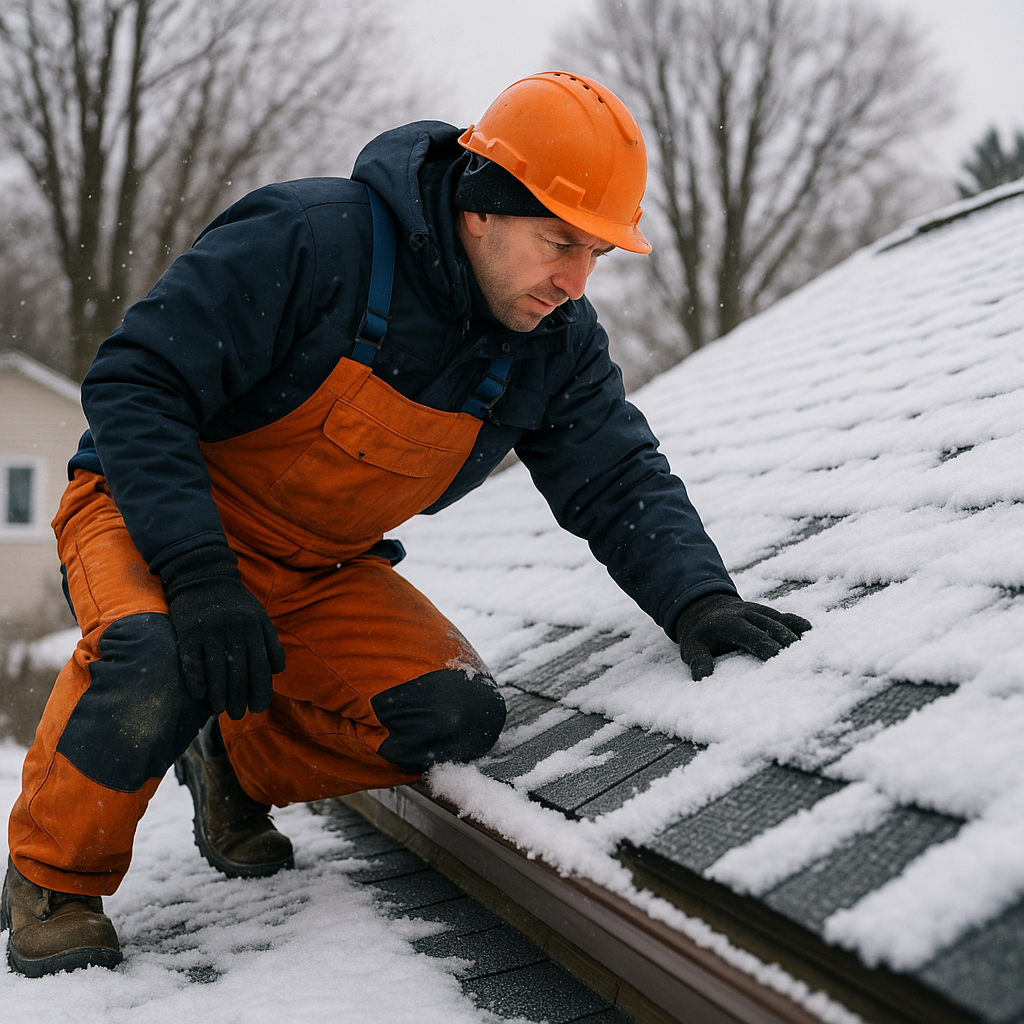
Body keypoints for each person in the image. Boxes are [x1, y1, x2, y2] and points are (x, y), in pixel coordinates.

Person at [2, 72, 810, 978]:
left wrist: (697, 599)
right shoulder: (311, 240)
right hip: (149, 516)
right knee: (156, 650)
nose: (575, 281)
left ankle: (232, 755)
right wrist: (194, 569)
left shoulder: (558, 343)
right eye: (559, 243)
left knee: (451, 712)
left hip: (315, 567)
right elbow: (134, 382)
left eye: (596, 254)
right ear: (481, 211)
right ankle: (52, 880)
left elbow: (617, 475)